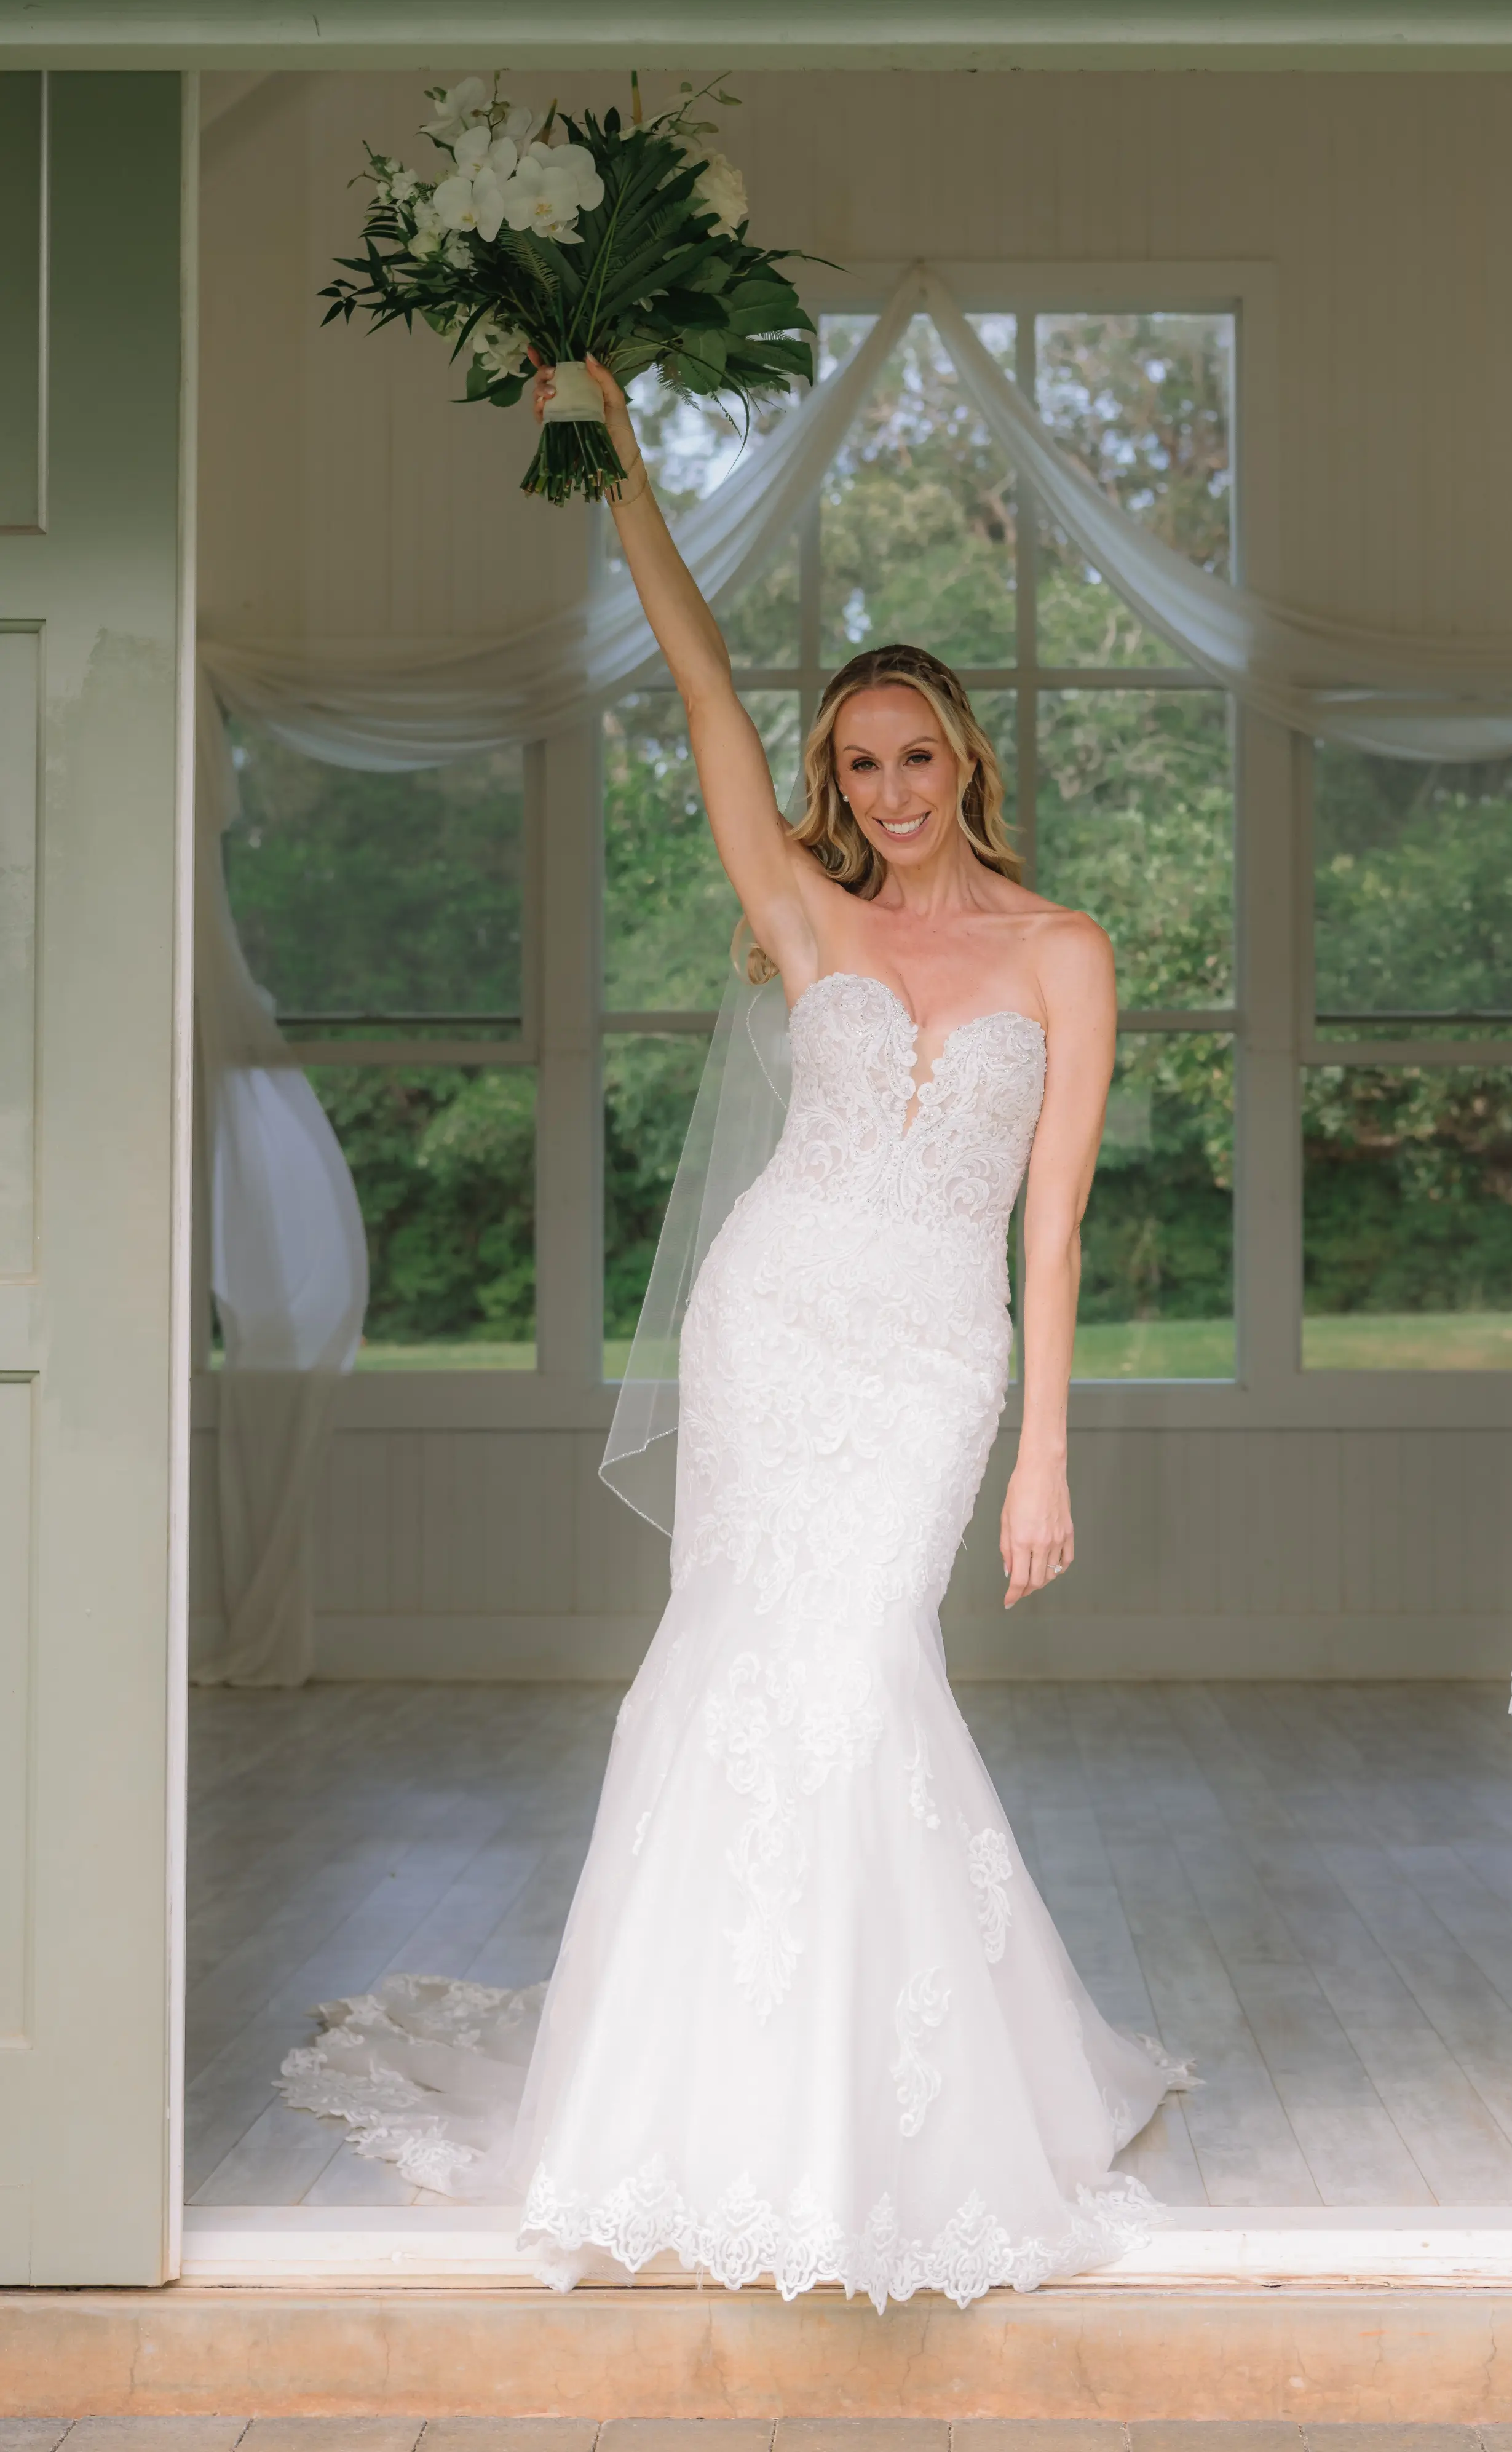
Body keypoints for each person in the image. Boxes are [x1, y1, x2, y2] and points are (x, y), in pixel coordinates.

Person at [278, 354, 1181, 2307]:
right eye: (855, 765)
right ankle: (699, 2116)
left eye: (914, 757)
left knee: (860, 1676)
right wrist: (612, 464)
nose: (887, 792)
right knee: (744, 1674)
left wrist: (1043, 1443)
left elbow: (1057, 1217)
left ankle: (894, 2108)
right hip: (773, 1329)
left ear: (966, 758)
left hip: (932, 1356)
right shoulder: (809, 920)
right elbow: (695, 677)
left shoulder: (1062, 951)